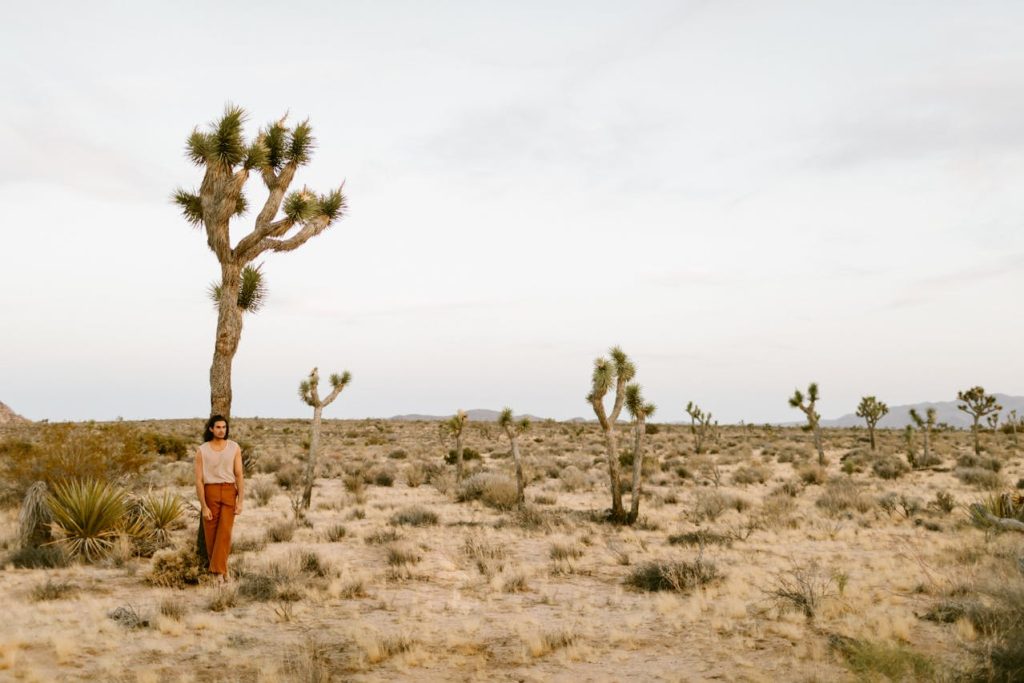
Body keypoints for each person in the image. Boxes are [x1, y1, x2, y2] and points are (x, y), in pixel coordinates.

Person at [195, 415, 244, 582]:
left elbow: (239, 475)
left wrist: (240, 501)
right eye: (218, 427)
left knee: (225, 532)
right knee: (211, 534)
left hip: (229, 491)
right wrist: (204, 506)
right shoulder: (202, 450)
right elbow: (199, 481)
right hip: (210, 492)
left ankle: (217, 573)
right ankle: (223, 571)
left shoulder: (234, 447)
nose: (221, 430)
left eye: (224, 427)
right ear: (211, 429)